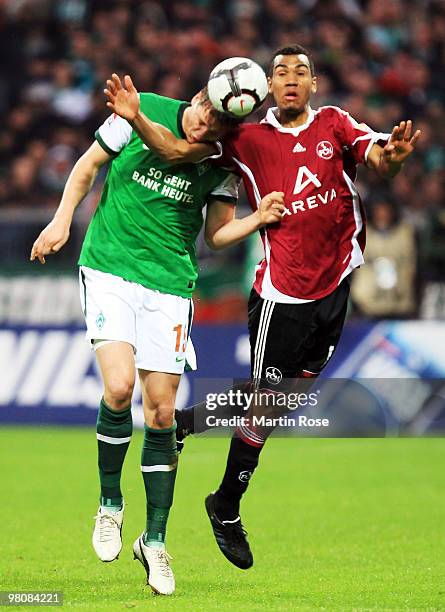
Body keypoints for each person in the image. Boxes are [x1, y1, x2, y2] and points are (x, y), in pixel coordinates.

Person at [104, 44, 421, 571]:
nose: (291, 79)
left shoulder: (336, 125)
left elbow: (379, 159)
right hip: (281, 294)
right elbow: (177, 153)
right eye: (281, 72)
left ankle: (185, 425)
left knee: (279, 400)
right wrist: (137, 118)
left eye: (301, 72)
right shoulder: (244, 139)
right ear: (265, 88)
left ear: (314, 84)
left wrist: (395, 157)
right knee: (265, 403)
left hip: (336, 283)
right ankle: (225, 506)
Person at [30, 82, 285, 595]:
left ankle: (156, 540)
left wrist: (256, 219)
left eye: (218, 126)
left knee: (164, 413)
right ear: (196, 97)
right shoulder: (142, 106)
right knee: (119, 388)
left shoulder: (217, 157)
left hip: (169, 286)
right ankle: (109, 505)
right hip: (110, 268)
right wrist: (61, 220)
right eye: (203, 114)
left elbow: (214, 234)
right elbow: (87, 166)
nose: (205, 125)